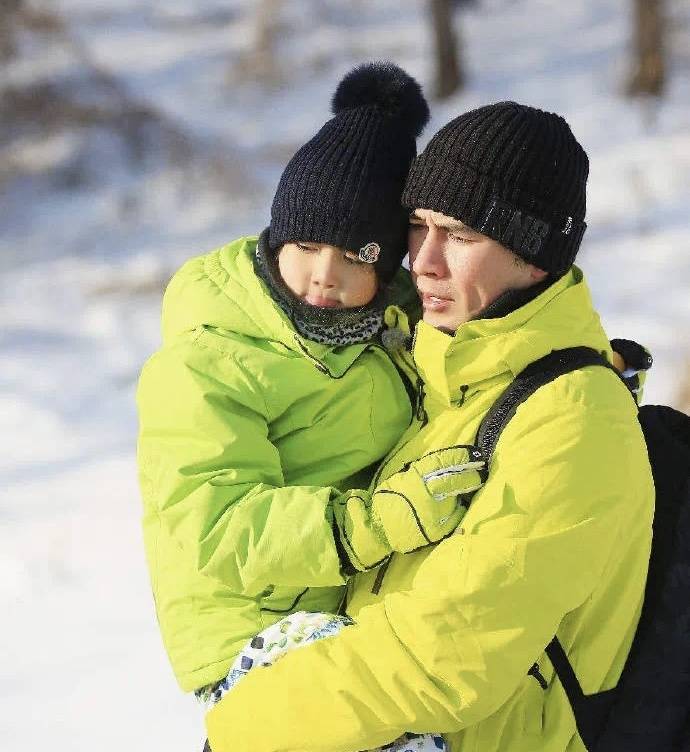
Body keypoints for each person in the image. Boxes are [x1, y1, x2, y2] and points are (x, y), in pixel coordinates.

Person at [203, 102, 655, 752]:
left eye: (462, 235)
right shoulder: (452, 382)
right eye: (419, 226)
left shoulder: (575, 420)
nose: (425, 262)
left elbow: (447, 657)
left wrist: (249, 725)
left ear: (535, 258)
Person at [136, 61, 480, 718]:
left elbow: (467, 401)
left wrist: (564, 382)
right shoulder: (210, 359)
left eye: (358, 257)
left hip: (358, 599)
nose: (325, 275)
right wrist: (376, 525)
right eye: (309, 244)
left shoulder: (398, 330)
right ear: (278, 234)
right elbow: (219, 525)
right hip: (253, 630)